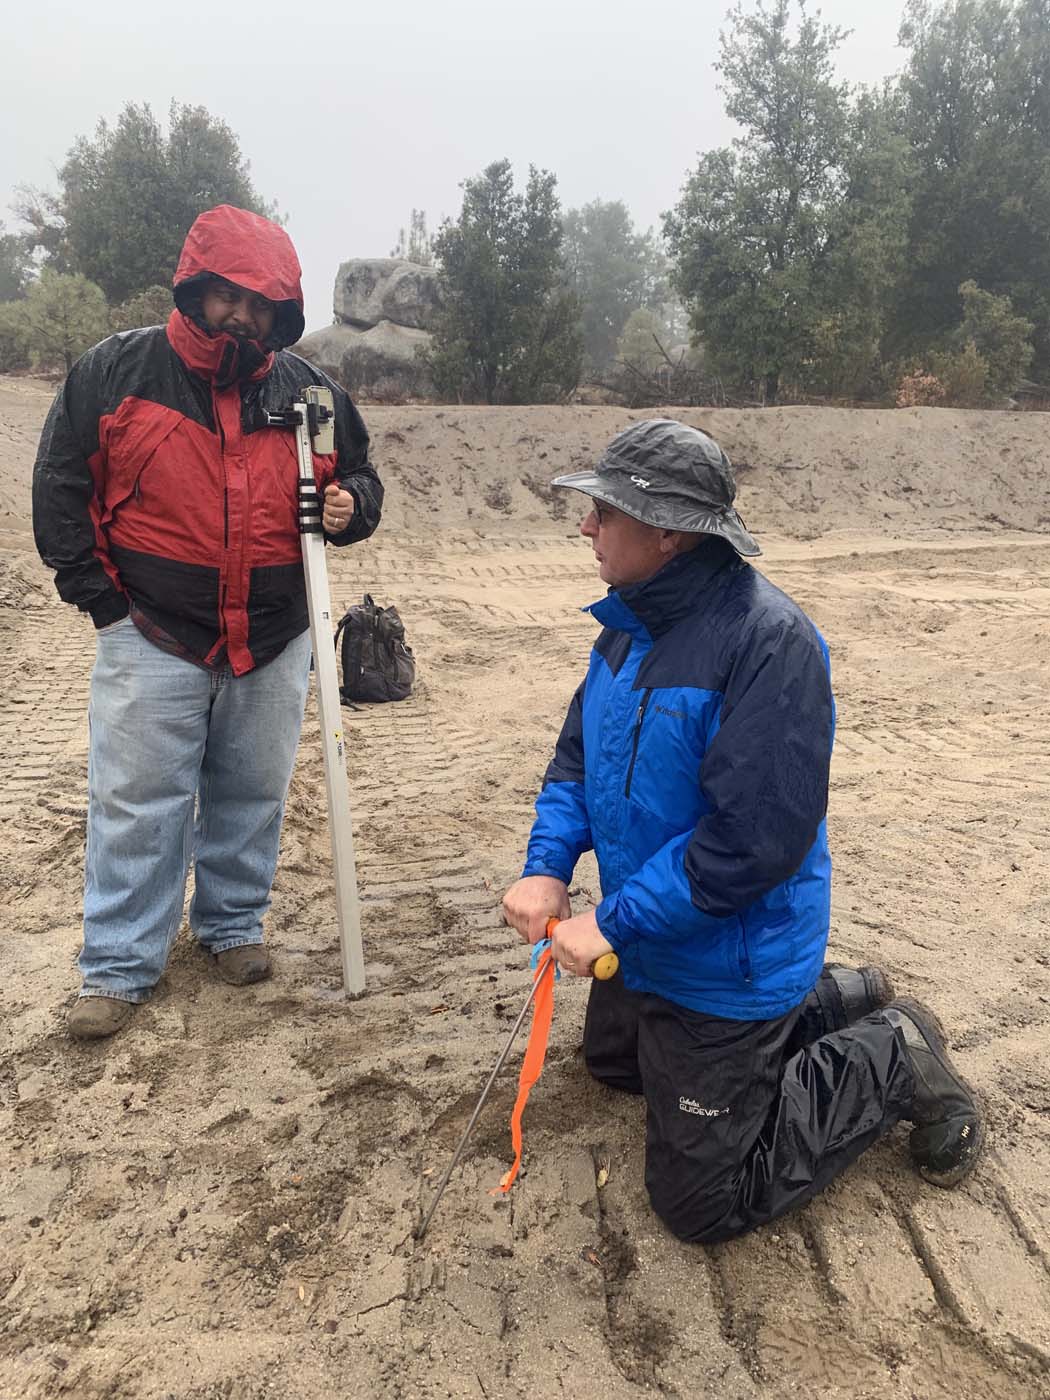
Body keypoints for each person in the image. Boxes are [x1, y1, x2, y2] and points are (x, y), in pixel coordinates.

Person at [501, 419, 984, 1243]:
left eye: (604, 511)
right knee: (617, 1069)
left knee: (701, 1204)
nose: (586, 526)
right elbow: (576, 761)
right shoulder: (624, 627)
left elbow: (750, 846)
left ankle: (892, 1055)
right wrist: (547, 864)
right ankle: (838, 1000)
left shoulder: (770, 645)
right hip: (659, 937)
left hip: (731, 951)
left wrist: (612, 921)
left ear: (667, 531)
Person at [33, 204, 383, 1042]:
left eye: (263, 304)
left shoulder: (311, 393)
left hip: (274, 635)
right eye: (230, 295)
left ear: (282, 313)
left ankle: (231, 925)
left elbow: (364, 478)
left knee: (252, 790)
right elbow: (59, 490)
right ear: (196, 287)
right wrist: (105, 606)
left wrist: (349, 507)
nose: (244, 315)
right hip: (151, 630)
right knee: (137, 801)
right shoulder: (116, 373)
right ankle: (117, 966)